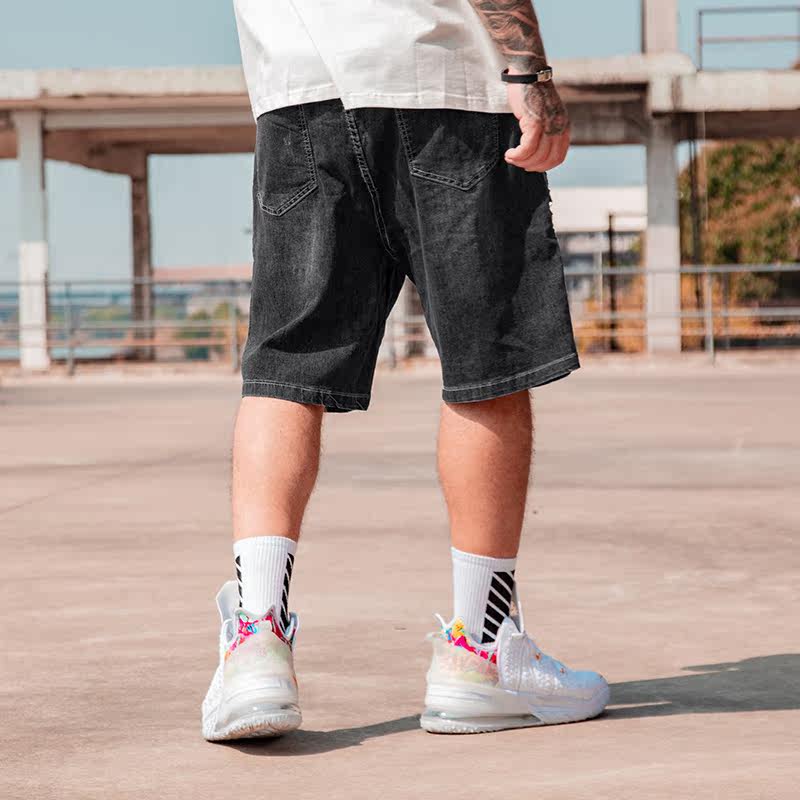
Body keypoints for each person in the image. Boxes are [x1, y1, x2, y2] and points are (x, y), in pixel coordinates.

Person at [202, 0, 609, 741]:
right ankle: (479, 653)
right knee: (487, 365)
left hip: (297, 87)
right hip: (444, 82)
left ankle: (256, 645)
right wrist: (530, 73)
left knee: (285, 374)